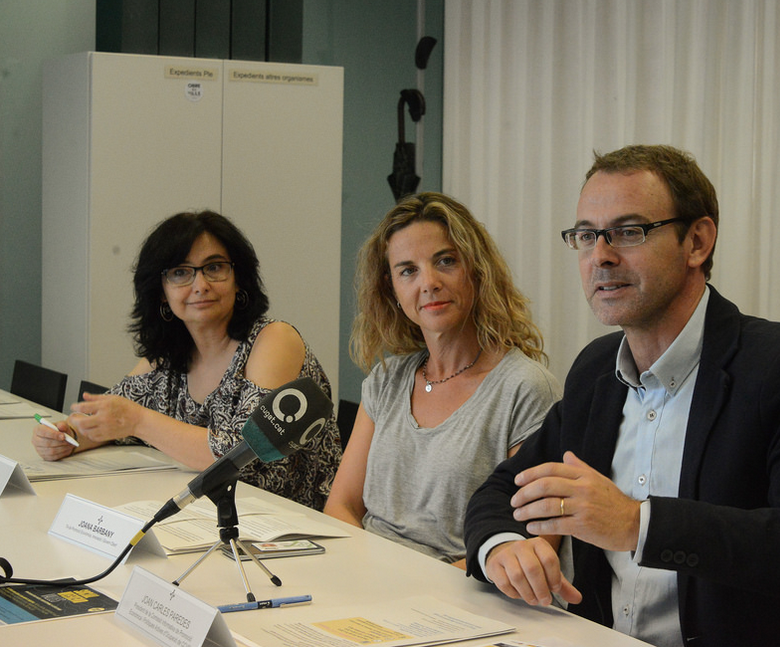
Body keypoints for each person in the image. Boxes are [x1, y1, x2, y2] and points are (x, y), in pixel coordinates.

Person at [464, 145, 780, 646]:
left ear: (697, 242)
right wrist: (504, 547)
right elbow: (504, 490)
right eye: (588, 236)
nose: (602, 256)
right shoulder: (596, 370)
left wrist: (639, 524)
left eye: (629, 231)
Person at [31, 211, 341, 511]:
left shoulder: (274, 340)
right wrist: (65, 436)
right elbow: (112, 419)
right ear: (162, 292)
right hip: (209, 517)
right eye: (181, 273)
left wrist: (138, 420)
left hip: (290, 526)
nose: (200, 285)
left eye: (215, 268)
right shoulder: (168, 355)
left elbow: (248, 456)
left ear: (238, 278)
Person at [324, 192, 561, 567]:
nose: (428, 282)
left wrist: (411, 592)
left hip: (461, 600)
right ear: (392, 290)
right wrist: (368, 580)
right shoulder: (386, 380)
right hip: (365, 582)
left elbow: (530, 545)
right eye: (408, 270)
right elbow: (341, 505)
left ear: (476, 270)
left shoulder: (525, 387)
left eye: (445, 261)